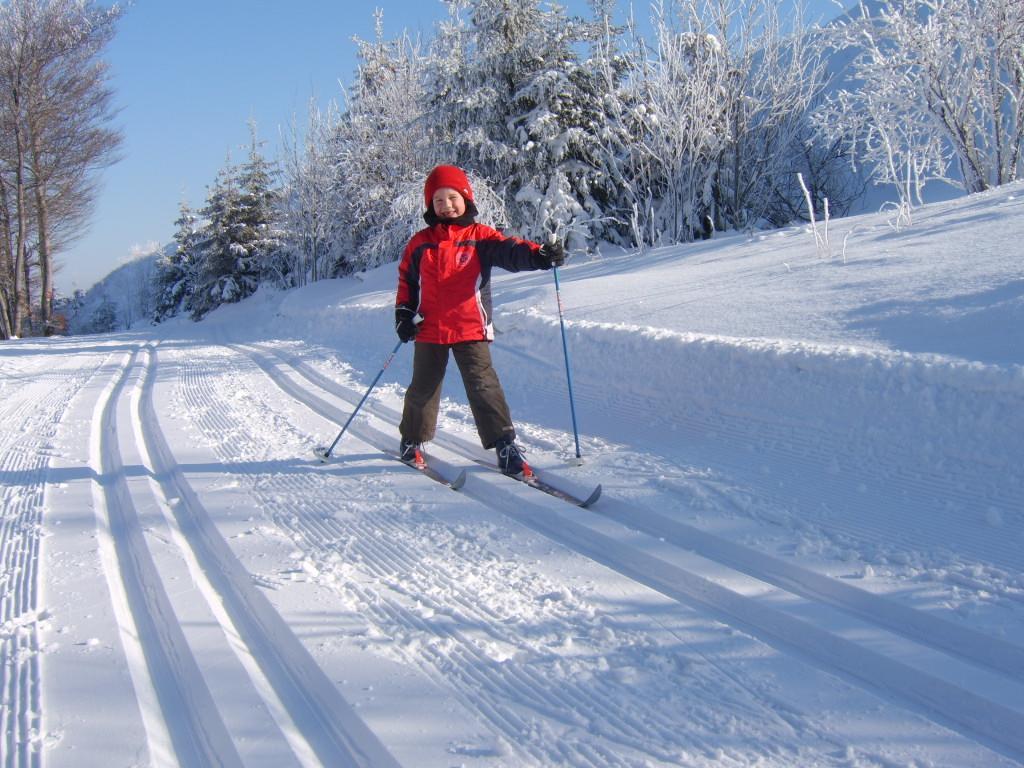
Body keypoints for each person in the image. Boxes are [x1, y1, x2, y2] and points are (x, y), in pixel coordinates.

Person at [395, 164, 564, 478]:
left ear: (466, 197)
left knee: (484, 385)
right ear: (430, 206)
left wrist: (539, 255)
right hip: (429, 328)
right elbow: (407, 280)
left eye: (452, 197)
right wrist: (404, 314)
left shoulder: (480, 237)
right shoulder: (420, 243)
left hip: (470, 326)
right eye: (438, 200)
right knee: (423, 387)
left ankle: (504, 445)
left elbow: (511, 251)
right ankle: (411, 440)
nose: (446, 205)